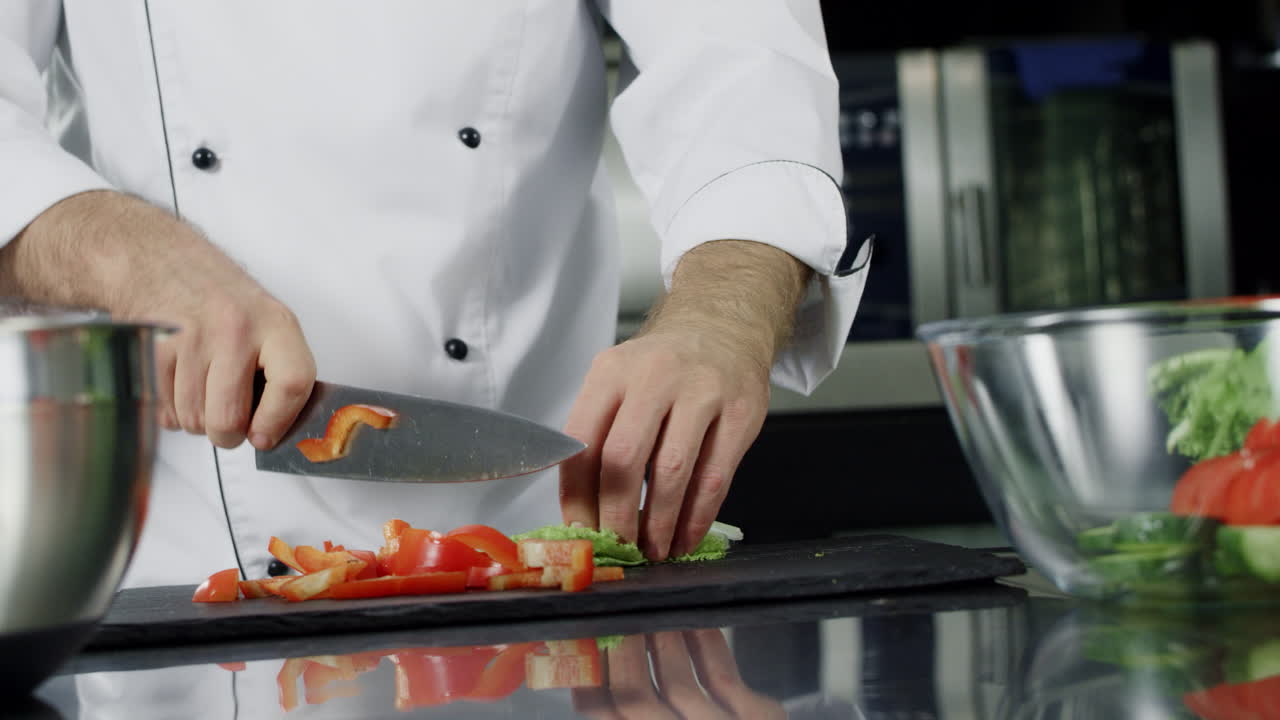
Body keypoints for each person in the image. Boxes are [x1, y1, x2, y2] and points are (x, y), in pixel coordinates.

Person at [0, 2, 868, 588]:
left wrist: (723, 311)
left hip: (526, 577)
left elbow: (743, 60)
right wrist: (127, 255)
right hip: (179, 575)